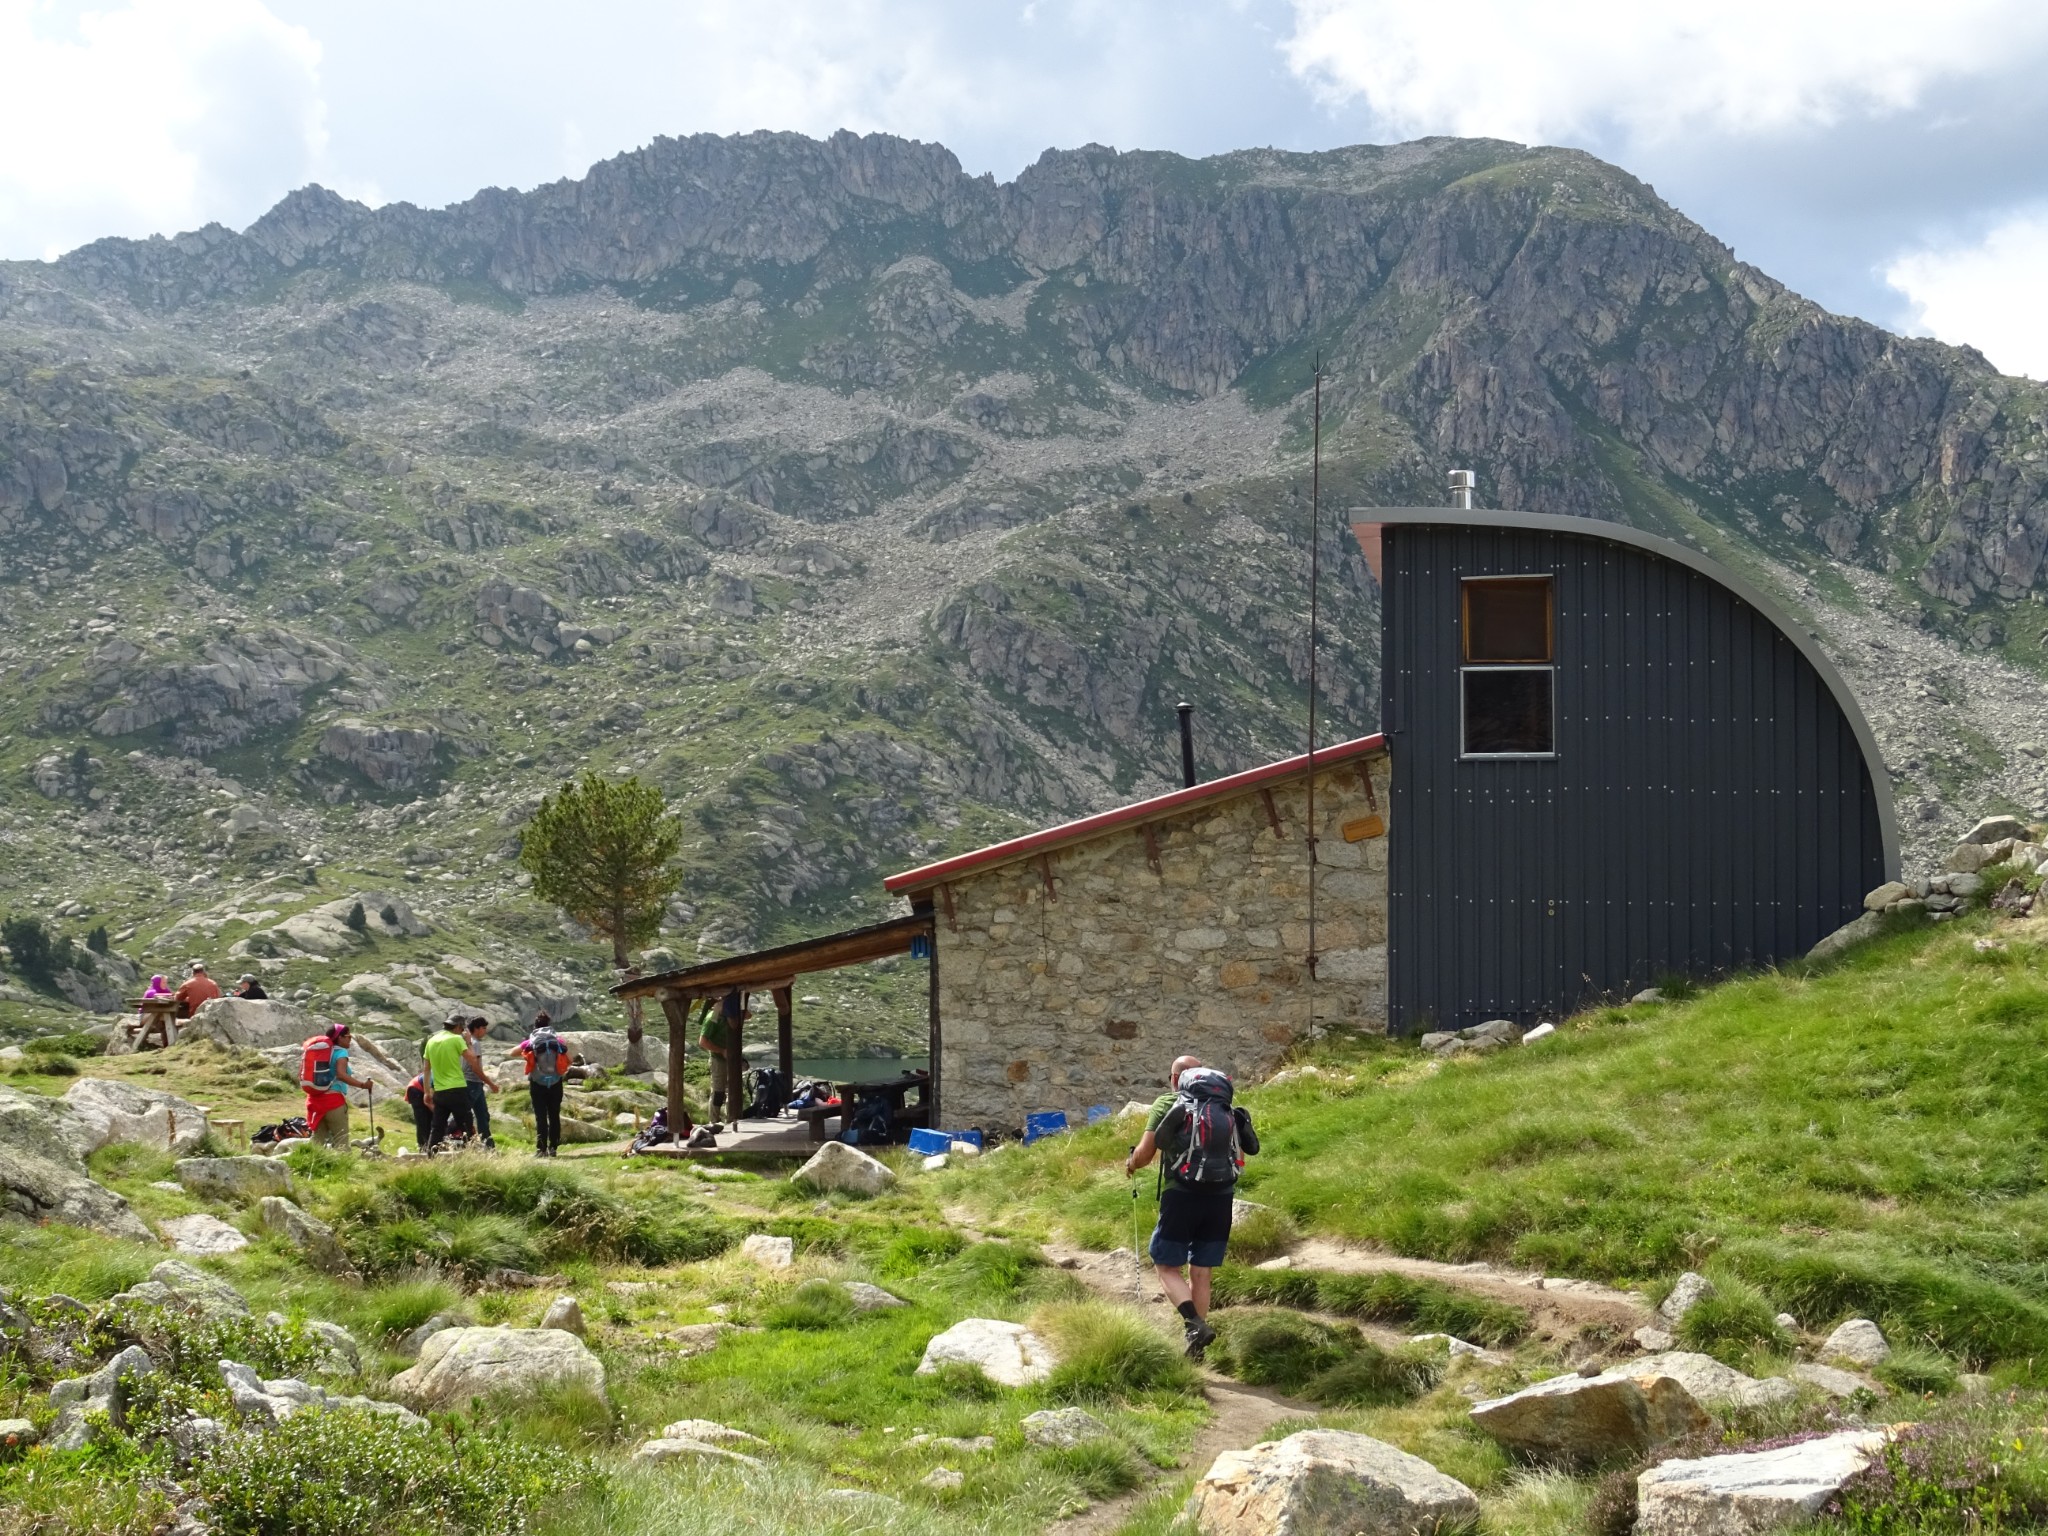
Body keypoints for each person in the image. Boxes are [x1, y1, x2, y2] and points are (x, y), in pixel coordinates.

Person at [1125, 1055, 1259, 1359]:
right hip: (1221, 1197)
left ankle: (1194, 1324)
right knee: (1201, 1272)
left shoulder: (1168, 1103)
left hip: (1182, 1195)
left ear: (1175, 1079)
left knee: (1165, 1265)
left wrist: (1131, 1164)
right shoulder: (1224, 1108)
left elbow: (1145, 1154)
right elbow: (1239, 1154)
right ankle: (1196, 1350)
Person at [300, 1022, 371, 1148]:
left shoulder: (321, 1052)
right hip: (333, 1102)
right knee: (341, 1142)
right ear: (340, 1037)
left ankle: (310, 1160)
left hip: (315, 1101)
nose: (350, 1039)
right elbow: (341, 1075)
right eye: (348, 1036)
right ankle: (344, 1162)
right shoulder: (341, 1052)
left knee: (317, 1142)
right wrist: (363, 1085)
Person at [517, 1011, 571, 1158]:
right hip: (555, 1083)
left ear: (535, 1026)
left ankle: (541, 1149)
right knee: (554, 1115)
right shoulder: (558, 1040)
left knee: (540, 1117)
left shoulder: (530, 1042)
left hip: (537, 1083)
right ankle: (553, 1148)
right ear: (548, 1025)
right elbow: (570, 1060)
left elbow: (513, 1053)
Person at [422, 1013, 479, 1151]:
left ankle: (431, 1156)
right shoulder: (456, 1039)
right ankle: (472, 1154)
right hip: (457, 1089)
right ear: (458, 1027)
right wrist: (468, 1042)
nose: (462, 1031)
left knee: (437, 1128)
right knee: (466, 1125)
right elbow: (473, 1059)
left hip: (439, 1091)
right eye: (462, 1029)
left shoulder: (432, 1041)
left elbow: (426, 1069)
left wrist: (426, 1092)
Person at [698, 990, 747, 1124]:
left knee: (733, 1088)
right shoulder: (713, 1018)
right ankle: (714, 1121)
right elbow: (703, 1042)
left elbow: (748, 1015)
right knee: (718, 1091)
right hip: (718, 1059)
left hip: (731, 1058)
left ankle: (731, 1118)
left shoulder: (732, 1016)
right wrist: (721, 1051)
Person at [463, 1016, 501, 1149]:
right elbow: (475, 1068)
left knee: (483, 1115)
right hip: (472, 1082)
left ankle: (488, 1145)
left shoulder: (467, 1042)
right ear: (476, 1029)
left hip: (473, 1083)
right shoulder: (475, 1043)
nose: (485, 1031)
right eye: (483, 1028)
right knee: (467, 1114)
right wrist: (491, 1084)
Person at [404, 1070, 432, 1152]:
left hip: (425, 1089)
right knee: (422, 1122)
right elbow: (431, 1102)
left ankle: (430, 1147)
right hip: (415, 1089)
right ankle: (423, 1148)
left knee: (431, 1120)